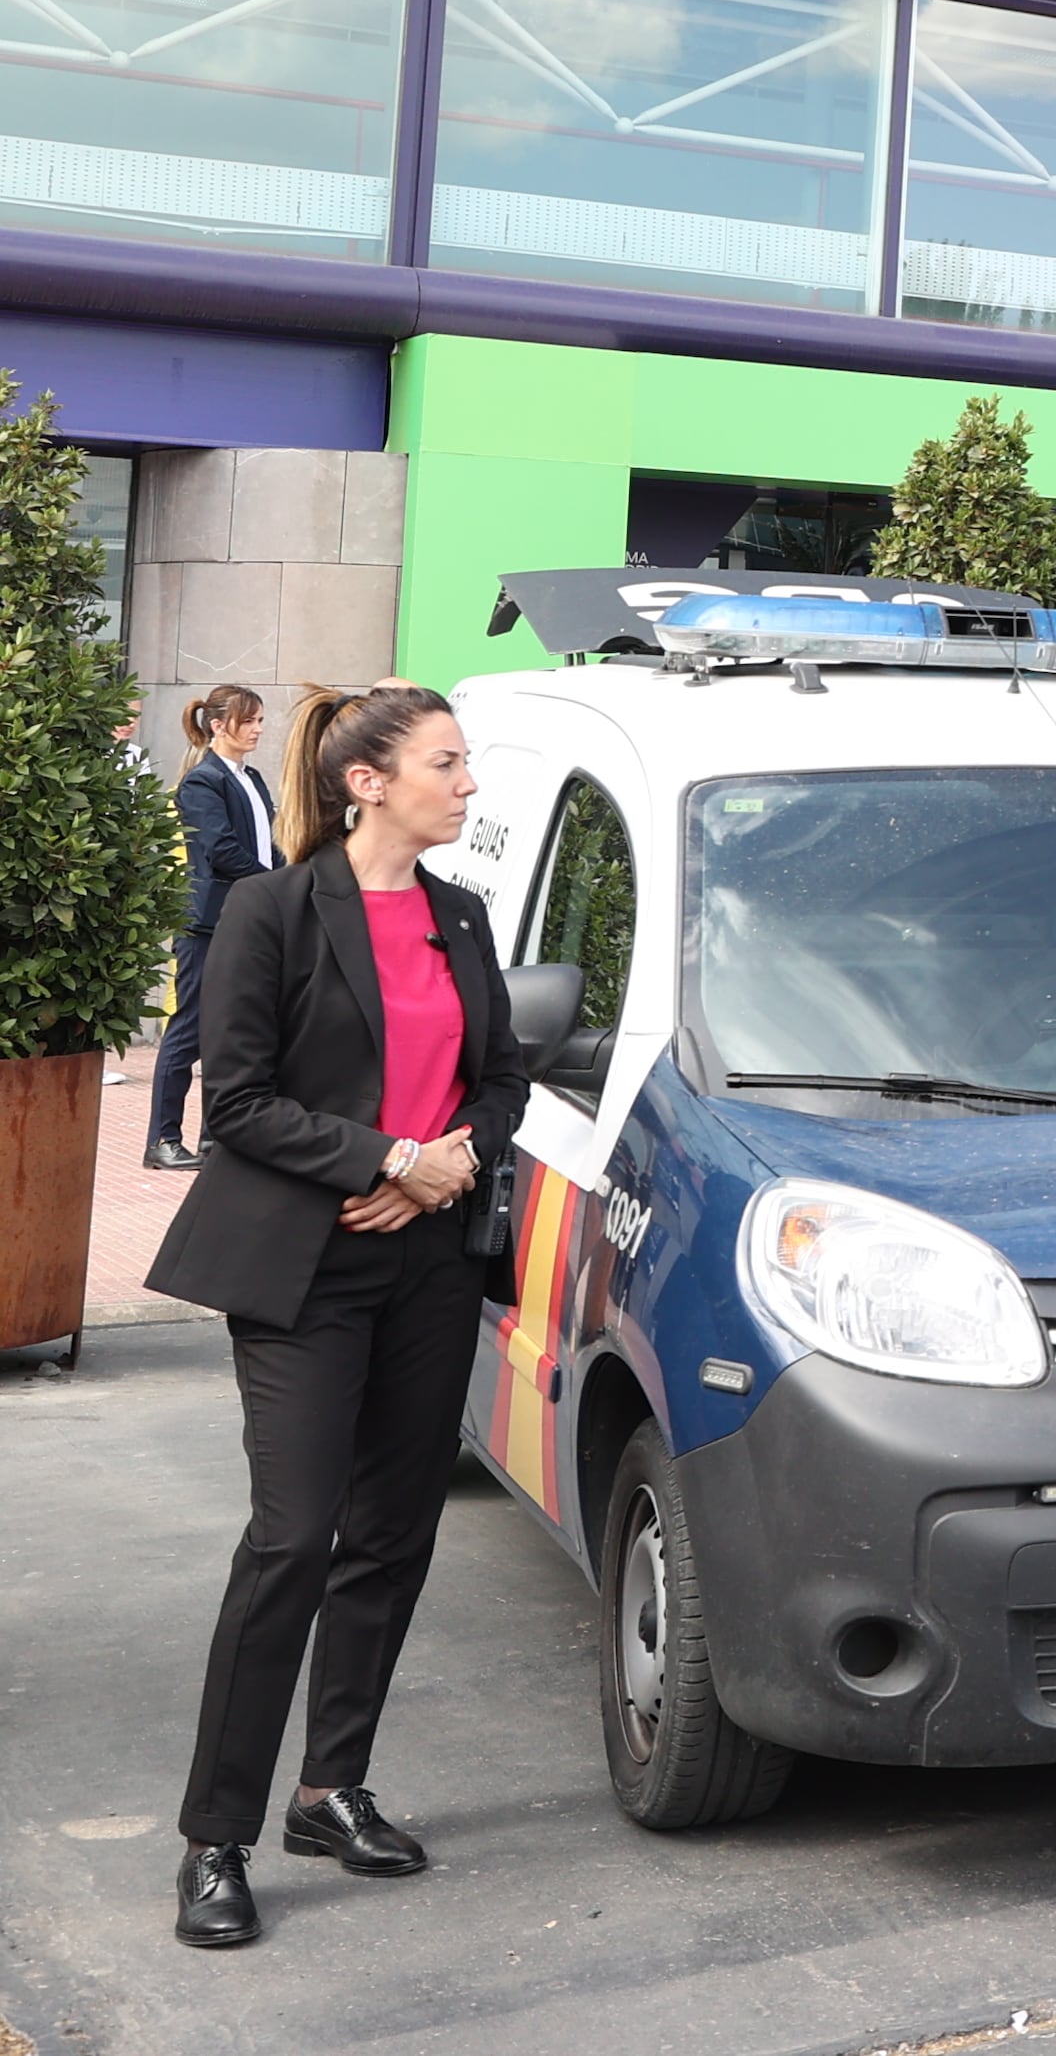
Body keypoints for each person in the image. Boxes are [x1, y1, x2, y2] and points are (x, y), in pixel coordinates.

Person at [148, 684, 532, 1952]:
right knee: (292, 1539)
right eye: (447, 762)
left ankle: (330, 1790)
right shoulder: (272, 908)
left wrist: (453, 1157)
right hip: (305, 1269)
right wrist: (384, 1159)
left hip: (426, 1265)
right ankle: (217, 1837)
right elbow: (239, 1099)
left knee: (391, 1533)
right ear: (368, 778)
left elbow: (501, 1075)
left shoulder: (461, 916)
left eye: (465, 763)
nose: (467, 784)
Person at [148, 686, 278, 1172]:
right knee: (190, 1028)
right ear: (218, 725)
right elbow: (221, 850)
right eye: (249, 720)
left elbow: (267, 846)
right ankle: (163, 1138)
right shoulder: (203, 782)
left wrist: (290, 874)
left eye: (261, 719)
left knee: (230, 1030)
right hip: (206, 922)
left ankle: (211, 1139)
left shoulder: (253, 778)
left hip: (245, 918)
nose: (259, 729)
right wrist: (277, 883)